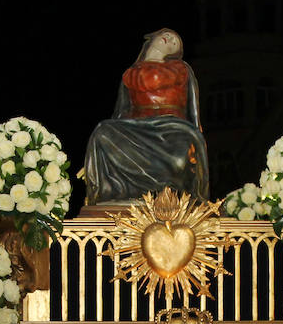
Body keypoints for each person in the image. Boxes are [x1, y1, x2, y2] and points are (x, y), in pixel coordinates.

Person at [83, 28, 209, 205]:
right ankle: (113, 193)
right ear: (152, 38)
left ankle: (167, 194)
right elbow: (121, 111)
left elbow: (193, 109)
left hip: (172, 127)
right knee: (102, 132)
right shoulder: (130, 74)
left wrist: (197, 141)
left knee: (179, 159)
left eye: (175, 42)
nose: (170, 39)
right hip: (136, 126)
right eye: (167, 35)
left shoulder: (181, 69)